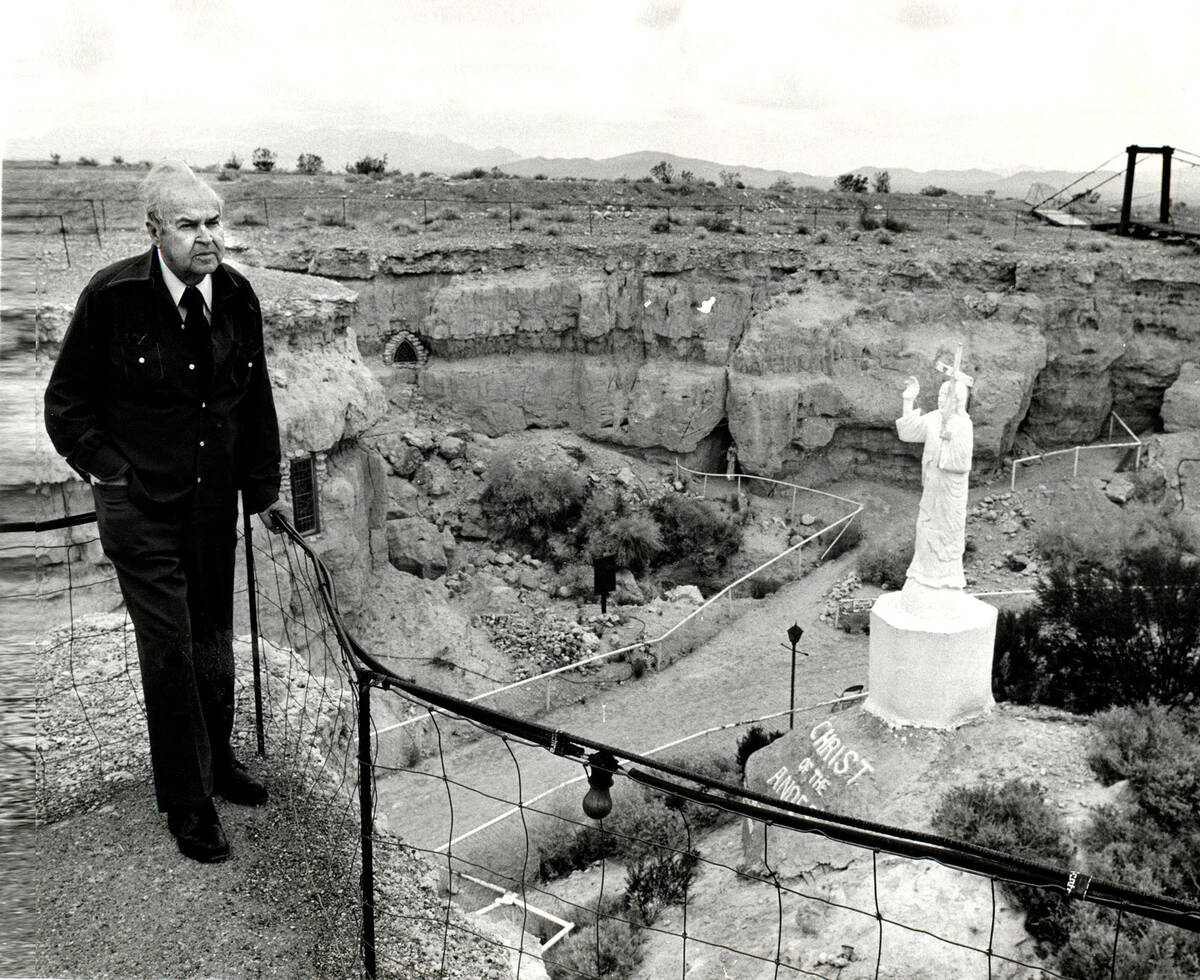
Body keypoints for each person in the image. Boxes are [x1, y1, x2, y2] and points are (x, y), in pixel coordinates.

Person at [45, 160, 287, 863]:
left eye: (214, 221)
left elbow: (255, 397)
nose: (208, 237)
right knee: (172, 648)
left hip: (213, 507)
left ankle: (219, 763)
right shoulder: (113, 297)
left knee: (213, 634)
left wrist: (262, 487)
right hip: (141, 513)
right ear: (154, 230)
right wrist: (113, 476)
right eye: (189, 225)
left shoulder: (237, 296)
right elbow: (67, 406)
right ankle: (188, 801)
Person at [896, 374, 973, 594]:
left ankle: (945, 579)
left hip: (950, 492)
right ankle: (922, 574)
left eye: (946, 396)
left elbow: (962, 462)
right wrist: (908, 400)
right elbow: (908, 433)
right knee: (925, 528)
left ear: (958, 400)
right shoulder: (934, 418)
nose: (941, 400)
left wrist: (948, 439)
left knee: (946, 532)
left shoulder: (963, 424)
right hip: (932, 487)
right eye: (939, 395)